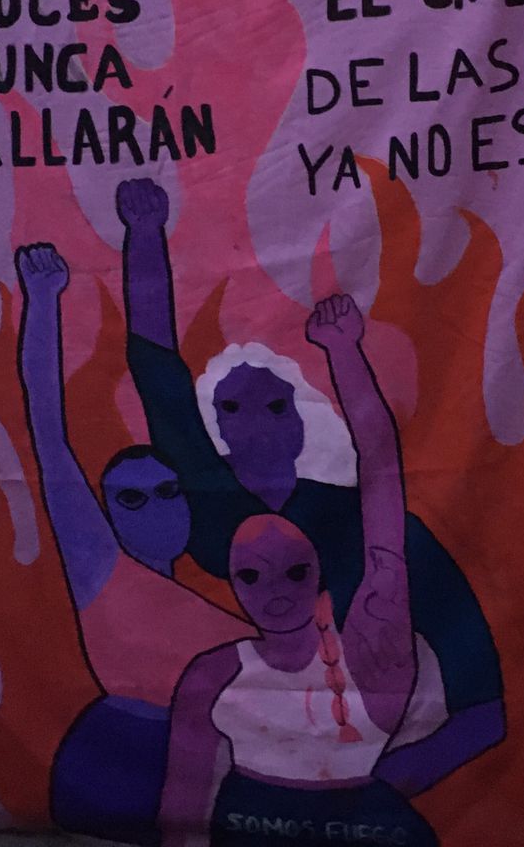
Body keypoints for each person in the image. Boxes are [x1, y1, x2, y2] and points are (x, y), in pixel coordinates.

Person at [118, 178, 505, 799]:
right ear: (214, 429)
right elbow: (157, 371)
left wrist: (381, 792)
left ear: (304, 421)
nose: (256, 424)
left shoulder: (365, 528)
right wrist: (143, 234)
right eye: (233, 409)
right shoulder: (205, 510)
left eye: (277, 405)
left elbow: (482, 706)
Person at [161, 295, 434, 847]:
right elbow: (182, 802)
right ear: (232, 584)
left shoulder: (372, 647)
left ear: (319, 571)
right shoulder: (212, 674)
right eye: (251, 577)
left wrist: (344, 353)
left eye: (293, 572)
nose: (274, 591)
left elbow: (383, 478)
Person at [14, 243, 249, 846]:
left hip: (219, 764)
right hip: (116, 757)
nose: (156, 508)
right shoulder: (100, 566)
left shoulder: (237, 587)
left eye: (168, 491)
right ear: (107, 515)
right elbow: (48, 434)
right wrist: (43, 302)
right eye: (132, 499)